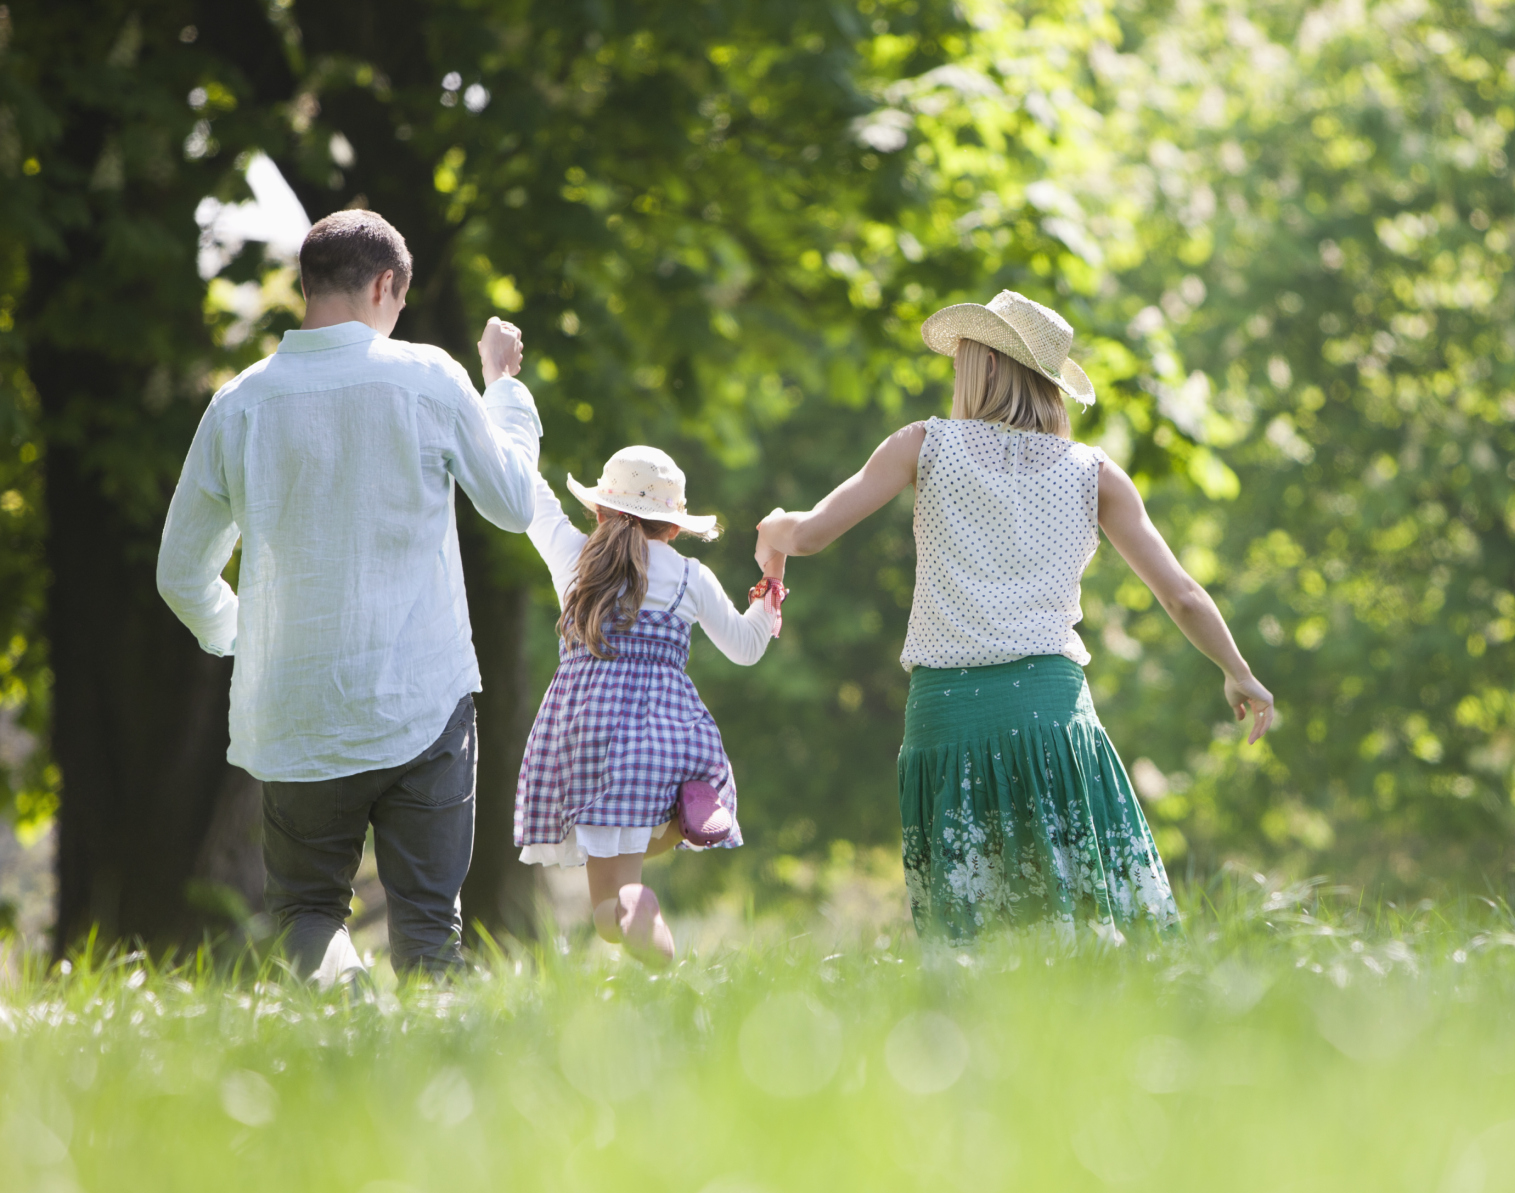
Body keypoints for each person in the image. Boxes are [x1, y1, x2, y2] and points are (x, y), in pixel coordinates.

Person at [754, 290, 1273, 939]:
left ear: (991, 367)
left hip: (948, 712)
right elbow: (1182, 595)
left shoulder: (922, 445)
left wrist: (772, 530)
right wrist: (1237, 670)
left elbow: (808, 536)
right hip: (1051, 716)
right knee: (1078, 919)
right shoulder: (1095, 473)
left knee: (972, 933)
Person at [157, 209, 542, 984]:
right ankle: (440, 1088)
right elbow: (512, 501)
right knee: (432, 923)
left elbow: (179, 574)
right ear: (384, 284)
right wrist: (504, 389)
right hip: (421, 699)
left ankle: (343, 1023)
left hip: (296, 707)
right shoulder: (429, 377)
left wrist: (245, 636)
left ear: (306, 286)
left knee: (306, 913)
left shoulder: (239, 402)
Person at [514, 447, 786, 963]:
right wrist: (771, 579)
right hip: (664, 735)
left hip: (587, 737)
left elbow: (533, 496)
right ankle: (686, 804)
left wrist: (504, 395)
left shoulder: (575, 559)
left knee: (607, 914)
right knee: (639, 828)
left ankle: (639, 909)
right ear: (675, 528)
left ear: (598, 512)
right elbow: (747, 648)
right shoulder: (690, 576)